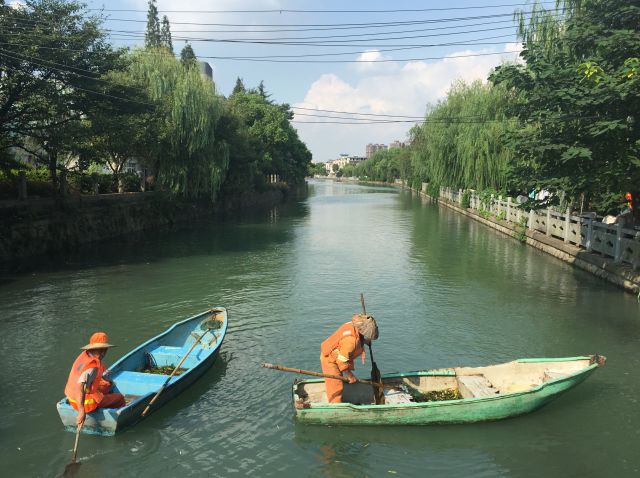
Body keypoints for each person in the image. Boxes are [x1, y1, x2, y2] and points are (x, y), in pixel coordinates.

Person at [64, 332, 126, 426]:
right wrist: (81, 412)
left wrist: (107, 380)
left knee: (107, 384)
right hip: (86, 404)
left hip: (72, 399)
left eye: (104, 350)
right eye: (100, 350)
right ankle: (118, 422)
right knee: (120, 398)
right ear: (93, 349)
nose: (103, 353)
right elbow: (80, 386)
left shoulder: (85, 355)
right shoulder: (92, 367)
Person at [320, 313, 379, 403]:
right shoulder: (350, 342)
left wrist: (365, 341)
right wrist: (350, 376)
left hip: (338, 355)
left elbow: (358, 337)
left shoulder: (354, 326)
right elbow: (341, 362)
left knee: (340, 380)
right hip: (330, 360)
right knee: (336, 385)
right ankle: (336, 407)